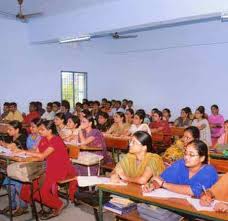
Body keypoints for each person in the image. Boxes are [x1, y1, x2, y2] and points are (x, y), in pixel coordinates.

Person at [20, 120, 77, 220]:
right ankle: (45, 205)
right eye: (40, 129)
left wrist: (23, 151)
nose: (39, 131)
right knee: (28, 186)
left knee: (39, 191)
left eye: (42, 129)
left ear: (50, 130)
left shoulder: (56, 140)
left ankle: (58, 205)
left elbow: (42, 156)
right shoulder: (43, 138)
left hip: (60, 168)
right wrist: (20, 152)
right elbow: (36, 151)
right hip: (47, 166)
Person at [143, 140, 218, 198]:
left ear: (202, 158)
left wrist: (163, 184)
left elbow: (193, 191)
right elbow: (162, 178)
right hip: (177, 204)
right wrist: (153, 185)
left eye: (191, 155)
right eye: (185, 153)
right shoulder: (180, 164)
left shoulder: (209, 171)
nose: (186, 157)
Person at [0, 121, 28, 216]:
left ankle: (23, 206)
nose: (8, 131)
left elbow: (10, 146)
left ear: (17, 130)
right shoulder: (10, 136)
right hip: (14, 164)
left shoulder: (23, 137)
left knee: (17, 185)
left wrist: (3, 144)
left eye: (10, 129)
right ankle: (13, 204)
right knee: (8, 184)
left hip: (23, 166)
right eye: (7, 129)